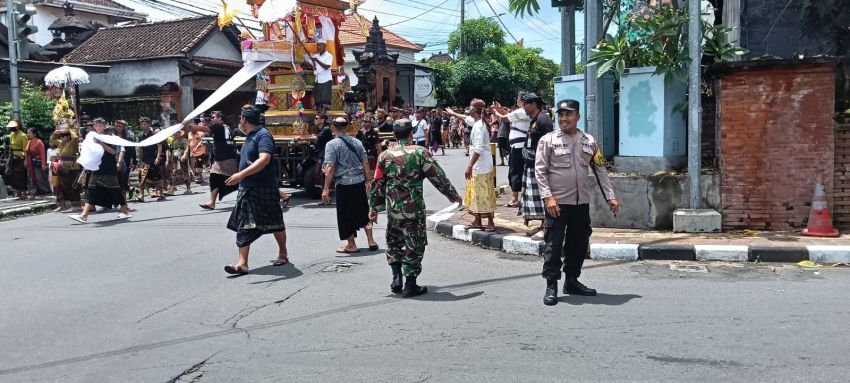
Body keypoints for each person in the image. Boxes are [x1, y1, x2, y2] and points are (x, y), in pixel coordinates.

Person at [537, 99, 620, 306]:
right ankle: (551, 285)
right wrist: (548, 197)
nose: (564, 118)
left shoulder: (589, 141)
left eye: (569, 114)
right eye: (561, 114)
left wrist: (610, 196)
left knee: (579, 243)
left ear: (578, 117)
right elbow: (540, 171)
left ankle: (572, 280)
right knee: (554, 245)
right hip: (557, 203)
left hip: (580, 203)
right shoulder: (547, 141)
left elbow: (600, 169)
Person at [369, 119, 462, 297]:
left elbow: (377, 183)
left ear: (394, 135)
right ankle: (410, 283)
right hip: (414, 208)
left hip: (394, 209)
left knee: (394, 241)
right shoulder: (420, 153)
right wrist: (453, 196)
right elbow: (438, 177)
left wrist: (373, 208)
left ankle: (396, 278)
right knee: (414, 243)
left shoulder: (384, 156)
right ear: (411, 133)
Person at [223, 107, 289, 274]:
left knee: (276, 223)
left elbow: (265, 159)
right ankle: (242, 262)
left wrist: (241, 174)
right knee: (244, 224)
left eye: (240, 118)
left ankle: (283, 252)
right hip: (247, 188)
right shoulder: (250, 136)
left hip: (264, 187)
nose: (239, 120)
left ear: (244, 119)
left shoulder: (263, 135)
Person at [323, 117, 379, 253]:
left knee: (345, 215)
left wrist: (325, 189)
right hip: (359, 181)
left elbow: (329, 167)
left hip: (343, 183)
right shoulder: (357, 142)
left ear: (333, 128)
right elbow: (365, 163)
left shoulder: (332, 145)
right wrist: (368, 180)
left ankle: (351, 245)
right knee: (364, 212)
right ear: (346, 127)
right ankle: (371, 241)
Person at [446, 100, 496, 231]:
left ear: (475, 110)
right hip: (480, 166)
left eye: (471, 107)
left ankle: (490, 222)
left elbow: (478, 149)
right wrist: (453, 113)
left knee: (484, 194)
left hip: (481, 166)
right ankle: (477, 220)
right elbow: (464, 118)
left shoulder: (479, 126)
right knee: (476, 194)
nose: (469, 109)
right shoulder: (477, 122)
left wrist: (469, 166)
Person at [68, 124, 132, 223]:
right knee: (91, 189)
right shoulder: (95, 139)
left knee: (115, 190)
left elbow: (112, 152)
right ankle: (84, 215)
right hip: (98, 168)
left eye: (102, 127)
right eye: (97, 127)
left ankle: (124, 211)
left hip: (108, 169)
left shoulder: (111, 140)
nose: (100, 129)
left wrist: (101, 143)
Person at [520, 92, 554, 238]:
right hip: (531, 164)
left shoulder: (543, 119)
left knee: (543, 196)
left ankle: (547, 228)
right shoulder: (535, 119)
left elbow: (550, 142)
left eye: (525, 104)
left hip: (540, 166)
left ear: (533, 104)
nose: (524, 107)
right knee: (536, 197)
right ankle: (542, 225)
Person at [493, 92, 530, 208]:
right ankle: (518, 198)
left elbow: (505, 119)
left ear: (523, 101)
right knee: (517, 171)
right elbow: (510, 115)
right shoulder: (522, 112)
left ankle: (515, 199)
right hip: (519, 146)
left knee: (515, 172)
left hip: (518, 147)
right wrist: (500, 109)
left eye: (518, 98)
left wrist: (495, 112)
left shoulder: (521, 111)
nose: (516, 100)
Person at [200, 111, 239, 210]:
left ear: (220, 118)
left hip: (227, 158)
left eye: (213, 117)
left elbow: (202, 129)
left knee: (244, 180)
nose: (212, 119)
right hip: (221, 158)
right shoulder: (226, 127)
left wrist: (190, 125)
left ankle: (280, 194)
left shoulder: (218, 126)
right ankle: (212, 202)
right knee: (214, 177)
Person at [49, 124, 82, 212]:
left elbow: (75, 137)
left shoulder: (73, 143)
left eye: (64, 136)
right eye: (62, 136)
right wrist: (56, 131)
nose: (62, 137)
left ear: (68, 137)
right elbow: (52, 139)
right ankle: (61, 204)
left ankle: (77, 204)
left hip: (71, 166)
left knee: (70, 185)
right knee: (59, 185)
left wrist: (69, 128)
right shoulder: (60, 143)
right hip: (60, 166)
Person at [136, 117, 164, 202]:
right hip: (145, 158)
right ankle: (142, 195)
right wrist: (139, 160)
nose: (143, 125)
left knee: (157, 176)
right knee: (142, 176)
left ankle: (161, 193)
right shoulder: (140, 136)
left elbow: (159, 146)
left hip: (153, 156)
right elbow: (140, 149)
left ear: (149, 124)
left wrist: (158, 157)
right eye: (142, 124)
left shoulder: (154, 134)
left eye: (145, 124)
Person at [4, 120, 29, 199]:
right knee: (12, 174)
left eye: (13, 127)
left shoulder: (23, 135)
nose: (12, 128)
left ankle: (24, 192)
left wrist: (24, 158)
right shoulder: (11, 134)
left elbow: (25, 149)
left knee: (21, 174)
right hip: (12, 156)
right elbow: (11, 146)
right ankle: (18, 190)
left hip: (21, 157)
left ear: (18, 126)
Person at [24, 128, 51, 198]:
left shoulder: (39, 142)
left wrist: (43, 164)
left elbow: (42, 154)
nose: (28, 134)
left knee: (39, 177)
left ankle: (46, 190)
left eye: (29, 133)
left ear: (34, 134)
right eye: (27, 133)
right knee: (31, 177)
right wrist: (26, 161)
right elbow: (26, 153)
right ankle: (33, 192)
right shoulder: (29, 142)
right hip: (30, 163)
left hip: (37, 162)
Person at [308, 41, 334, 112]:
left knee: (325, 98)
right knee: (318, 98)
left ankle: (323, 114)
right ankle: (319, 113)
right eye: (317, 46)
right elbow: (311, 63)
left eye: (320, 45)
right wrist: (310, 60)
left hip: (326, 80)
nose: (318, 47)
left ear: (325, 46)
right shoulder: (316, 56)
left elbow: (326, 67)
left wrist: (317, 61)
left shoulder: (329, 56)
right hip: (318, 79)